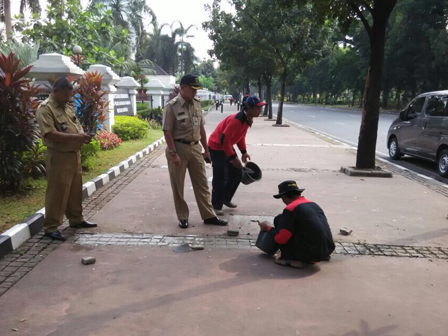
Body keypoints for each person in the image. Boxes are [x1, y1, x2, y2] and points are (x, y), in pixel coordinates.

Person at [35, 78, 98, 241]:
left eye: (69, 96)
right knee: (57, 192)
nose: (67, 99)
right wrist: (76, 137)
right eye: (64, 95)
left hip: (73, 155)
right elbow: (49, 134)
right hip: (58, 156)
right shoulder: (45, 109)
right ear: (55, 91)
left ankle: (76, 219)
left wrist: (83, 137)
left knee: (74, 190)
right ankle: (51, 227)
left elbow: (76, 127)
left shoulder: (67, 108)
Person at [163, 74, 227, 229]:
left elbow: (202, 129)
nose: (195, 93)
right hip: (178, 148)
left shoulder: (196, 104)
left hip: (196, 148)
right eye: (192, 89)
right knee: (178, 185)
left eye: (196, 90)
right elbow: (167, 131)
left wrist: (206, 150)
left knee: (202, 184)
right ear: (182, 87)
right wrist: (173, 154)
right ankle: (183, 217)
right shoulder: (172, 106)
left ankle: (209, 215)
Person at [208, 96, 266, 215]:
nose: (259, 111)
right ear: (249, 108)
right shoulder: (237, 120)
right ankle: (216, 205)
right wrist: (233, 158)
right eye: (257, 108)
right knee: (221, 178)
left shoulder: (247, 119)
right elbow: (224, 139)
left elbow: (240, 136)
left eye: (260, 108)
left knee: (237, 173)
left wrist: (244, 152)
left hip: (226, 146)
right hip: (216, 147)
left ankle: (226, 198)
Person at [259, 180, 335, 268]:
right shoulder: (313, 204)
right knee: (280, 218)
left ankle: (292, 259)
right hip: (327, 250)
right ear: (298, 193)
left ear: (283, 197)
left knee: (280, 223)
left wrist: (268, 228)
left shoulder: (291, 208)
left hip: (311, 254)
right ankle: (316, 254)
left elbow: (281, 239)